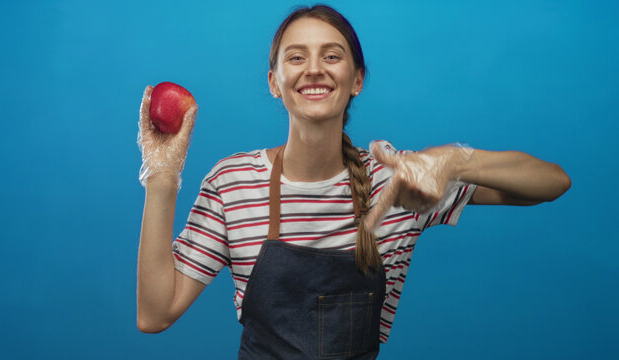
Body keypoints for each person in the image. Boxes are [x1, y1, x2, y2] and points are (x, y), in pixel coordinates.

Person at [136, 4, 571, 359]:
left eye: (331, 55)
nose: (313, 69)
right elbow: (155, 314)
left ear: (356, 79)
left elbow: (552, 182)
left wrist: (451, 161)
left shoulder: (398, 181)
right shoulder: (234, 183)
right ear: (274, 83)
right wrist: (162, 176)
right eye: (295, 56)